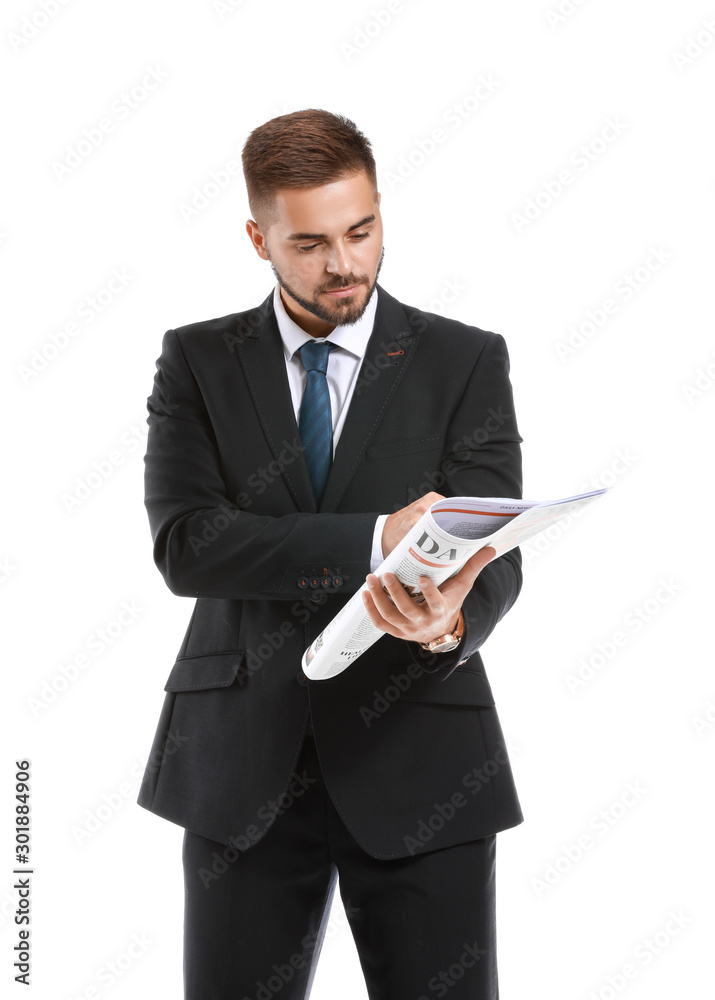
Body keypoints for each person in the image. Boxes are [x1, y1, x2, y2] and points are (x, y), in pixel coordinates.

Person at [138, 108, 524, 1000]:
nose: (343, 263)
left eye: (360, 230)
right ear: (256, 237)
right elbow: (188, 546)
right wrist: (372, 538)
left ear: (380, 209)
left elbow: (493, 551)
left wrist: (449, 616)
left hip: (421, 753)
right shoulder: (197, 361)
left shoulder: (463, 361)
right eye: (308, 244)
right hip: (241, 766)